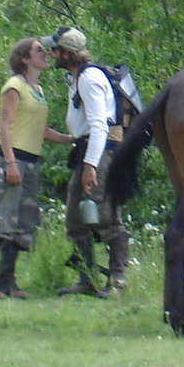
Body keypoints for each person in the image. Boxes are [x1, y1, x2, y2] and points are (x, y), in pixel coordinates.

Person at [0, 37, 69, 299]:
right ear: (25, 58)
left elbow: (42, 130)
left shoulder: (37, 89)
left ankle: (7, 281)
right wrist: (10, 162)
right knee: (0, 219)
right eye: (39, 51)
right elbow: (5, 126)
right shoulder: (15, 86)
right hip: (12, 158)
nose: (46, 54)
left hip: (31, 160)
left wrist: (73, 140)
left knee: (22, 222)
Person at [44, 26, 131, 299]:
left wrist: (91, 166)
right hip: (89, 150)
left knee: (104, 216)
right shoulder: (77, 78)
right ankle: (87, 277)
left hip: (100, 152)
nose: (51, 53)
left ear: (67, 54)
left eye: (55, 49)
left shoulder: (89, 79)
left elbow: (99, 125)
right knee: (76, 216)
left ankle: (116, 282)